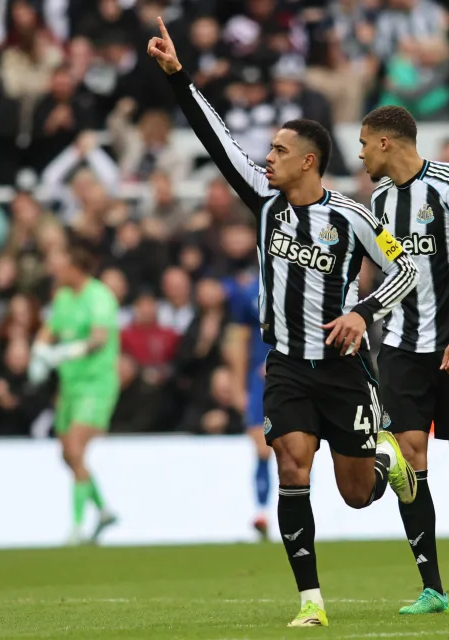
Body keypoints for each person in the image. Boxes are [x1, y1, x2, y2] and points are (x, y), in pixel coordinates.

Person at [149, 17, 419, 628]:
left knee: (356, 494)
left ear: (308, 162)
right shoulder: (265, 201)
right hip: (288, 366)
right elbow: (216, 139)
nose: (267, 158)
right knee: (293, 468)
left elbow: (405, 271)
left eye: (278, 151)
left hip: (344, 370)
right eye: (268, 150)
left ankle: (387, 462)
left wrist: (362, 311)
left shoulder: (353, 217)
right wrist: (178, 76)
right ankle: (311, 602)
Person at [358, 105, 449, 614]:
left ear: (385, 142)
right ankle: (433, 588)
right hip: (401, 346)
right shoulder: (379, 200)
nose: (361, 154)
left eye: (364, 143)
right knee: (409, 459)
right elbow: (384, 272)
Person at [29, 245, 121, 546]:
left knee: (76, 448)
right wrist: (39, 352)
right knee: (67, 454)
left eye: (61, 265)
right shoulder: (63, 297)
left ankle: (77, 526)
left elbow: (99, 339)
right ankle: (103, 510)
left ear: (76, 268)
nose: (55, 271)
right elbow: (50, 328)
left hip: (96, 383)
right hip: (69, 385)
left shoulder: (99, 296)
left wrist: (66, 352)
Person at [223, 268, 274, 540]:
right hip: (259, 380)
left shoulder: (304, 280)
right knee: (261, 445)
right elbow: (239, 338)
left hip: (295, 374)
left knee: (296, 446)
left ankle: (299, 508)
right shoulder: (250, 291)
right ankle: (262, 512)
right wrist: (237, 385)